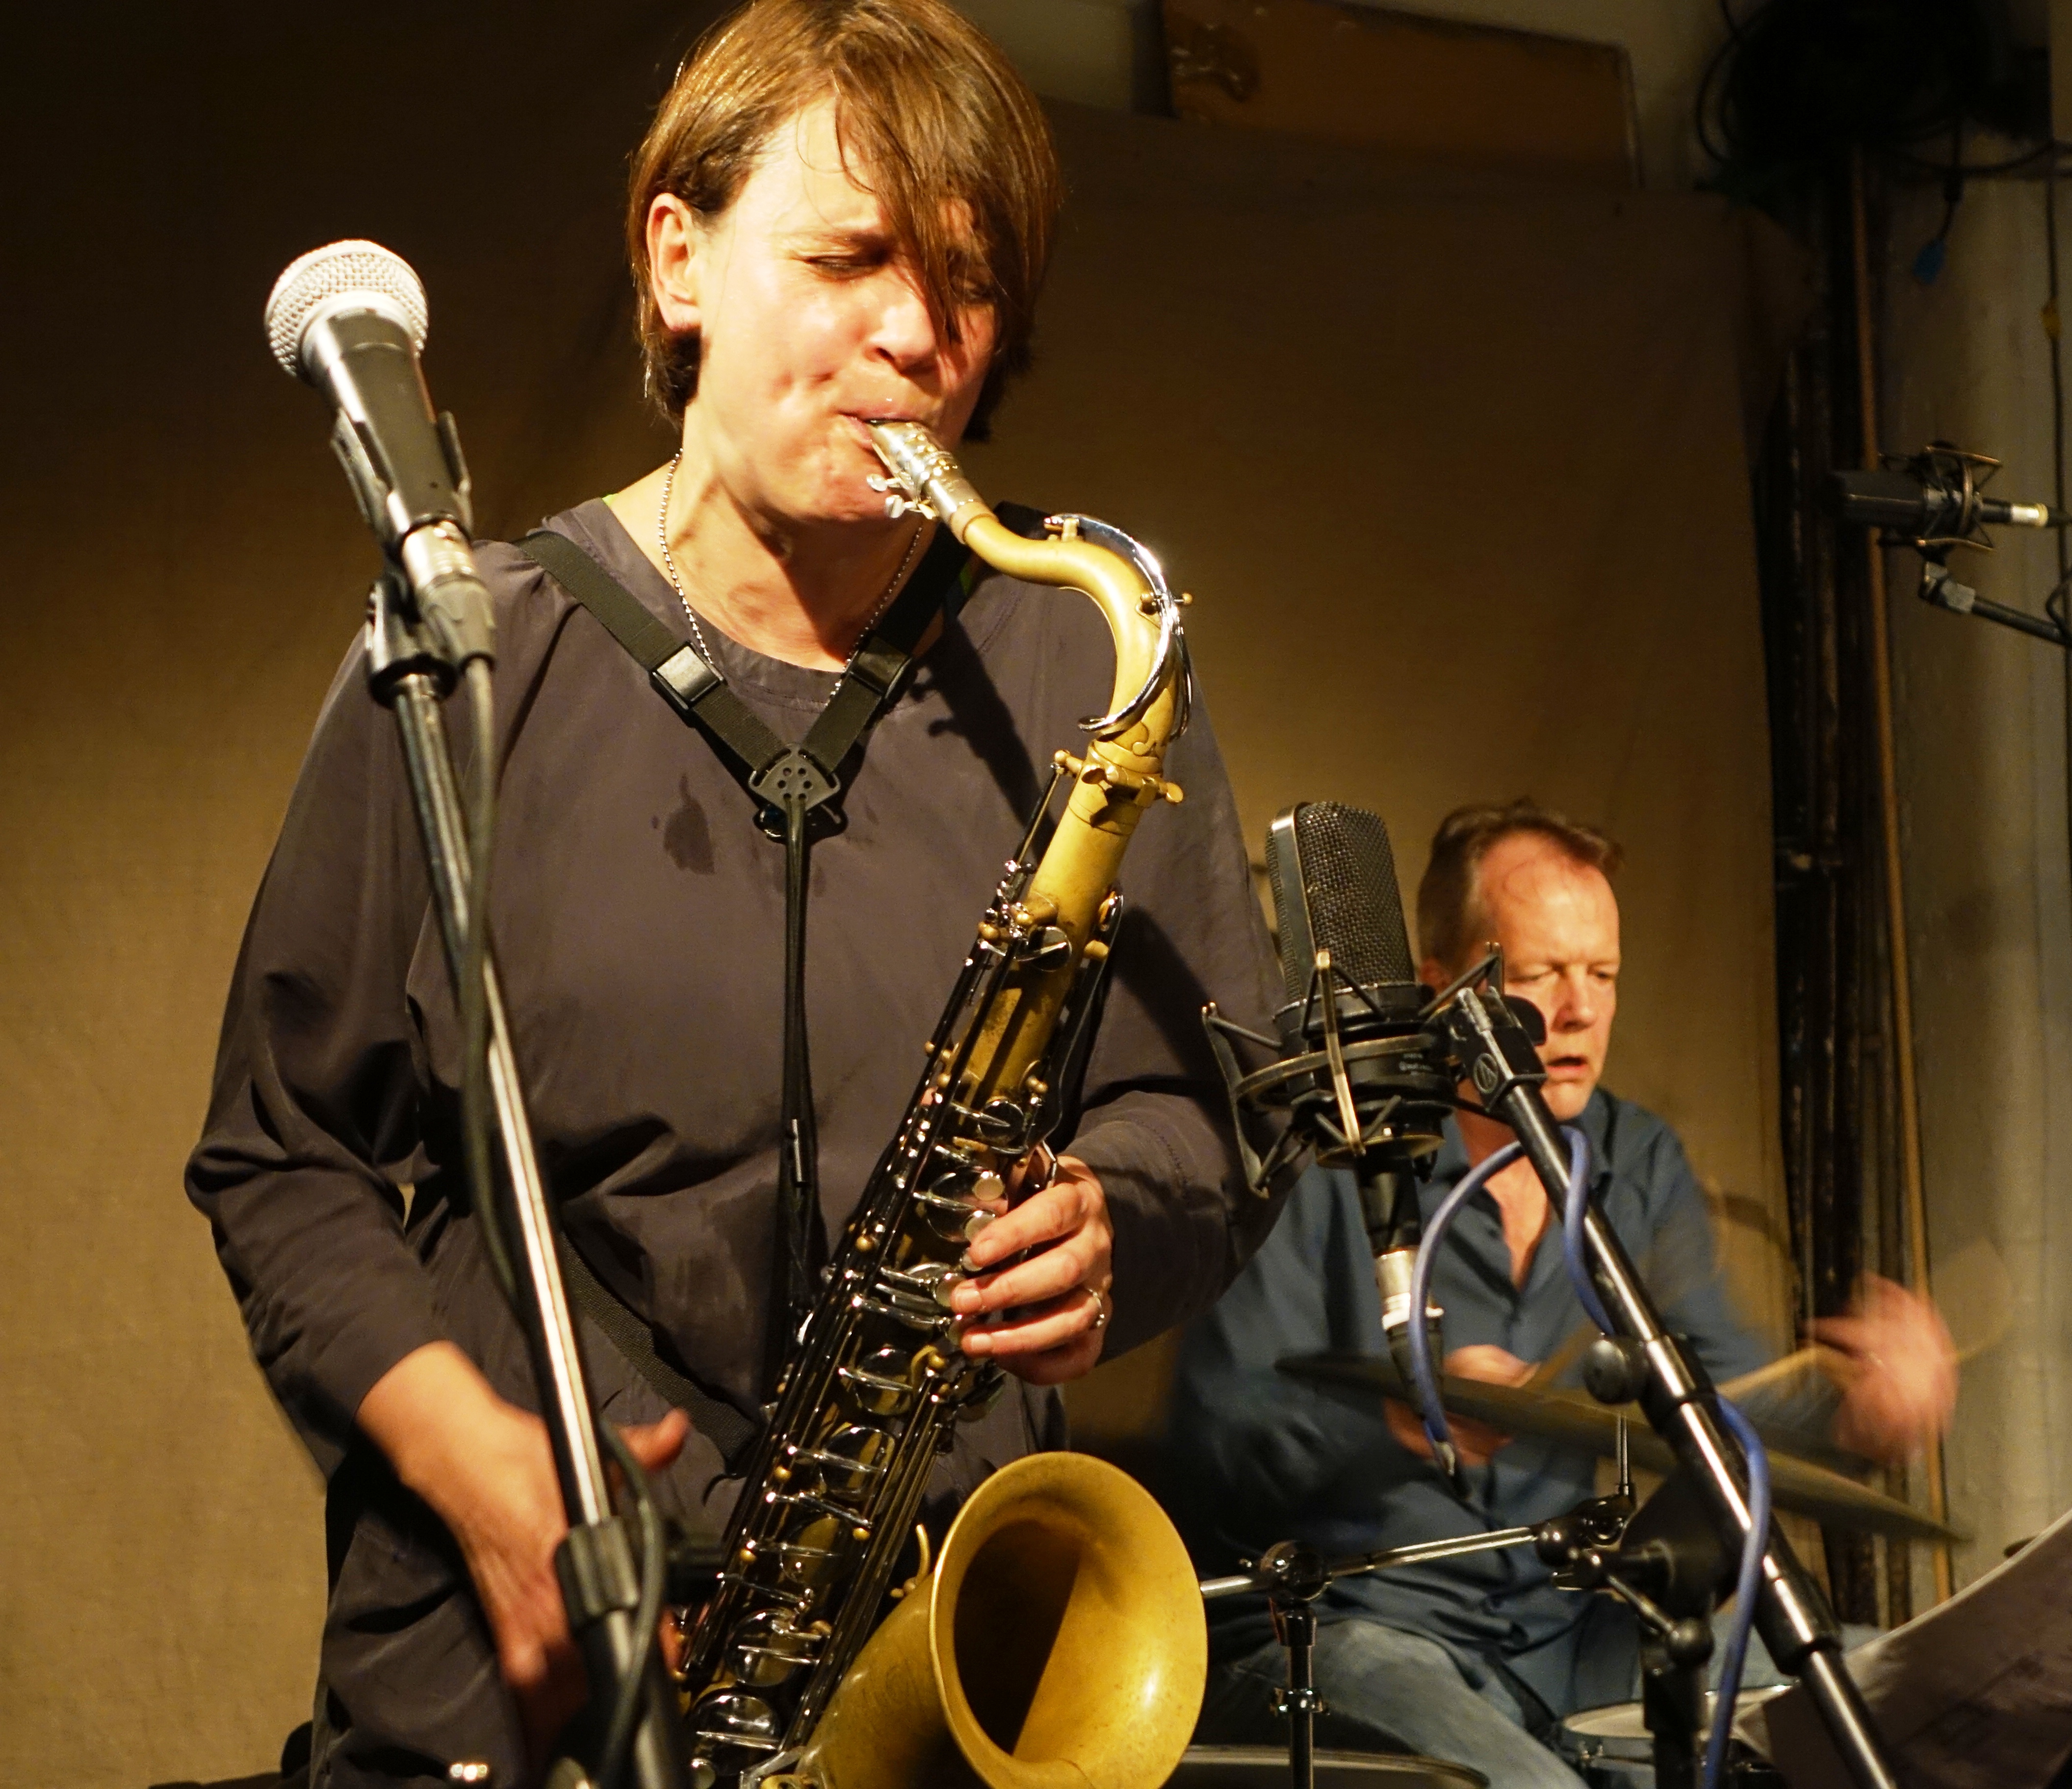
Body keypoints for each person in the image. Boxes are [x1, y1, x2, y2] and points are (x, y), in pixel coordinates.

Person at [185, 4, 1278, 1782]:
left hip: (926, 1643)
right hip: (513, 1656)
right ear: (676, 257)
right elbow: (283, 1151)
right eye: (849, 258)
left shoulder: (1083, 666)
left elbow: (1196, 1107)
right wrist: (480, 1466)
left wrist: (1119, 1217)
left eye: (968, 284)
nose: (916, 335)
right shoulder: (470, 654)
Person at [1166, 800, 1955, 1788]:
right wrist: (1390, 1418)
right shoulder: (1331, 1158)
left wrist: (1858, 1412)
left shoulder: (1635, 1161)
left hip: (1564, 1631)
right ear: (1440, 991)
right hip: (1354, 1625)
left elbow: (1724, 1402)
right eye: (1541, 975)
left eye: (1604, 975)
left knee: (1890, 1691)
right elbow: (1216, 1436)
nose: (1581, 1010)